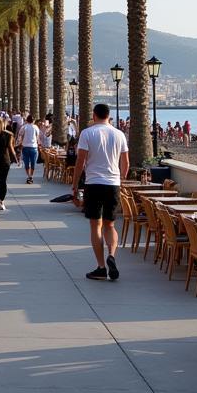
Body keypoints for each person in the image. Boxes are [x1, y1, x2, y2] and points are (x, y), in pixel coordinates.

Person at [72, 103, 129, 282]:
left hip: (93, 183)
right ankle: (111, 255)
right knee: (110, 225)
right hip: (113, 184)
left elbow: (80, 161)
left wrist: (74, 185)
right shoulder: (119, 134)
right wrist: (121, 180)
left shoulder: (87, 133)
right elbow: (125, 162)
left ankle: (101, 267)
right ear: (108, 116)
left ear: (94, 115)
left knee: (95, 225)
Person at [17, 114, 41, 184]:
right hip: (34, 147)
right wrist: (39, 143)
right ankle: (31, 176)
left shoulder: (24, 127)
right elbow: (38, 137)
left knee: (26, 163)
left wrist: (19, 143)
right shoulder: (35, 127)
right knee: (33, 163)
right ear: (33, 120)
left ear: (27, 120)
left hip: (25, 147)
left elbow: (19, 136)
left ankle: (29, 176)